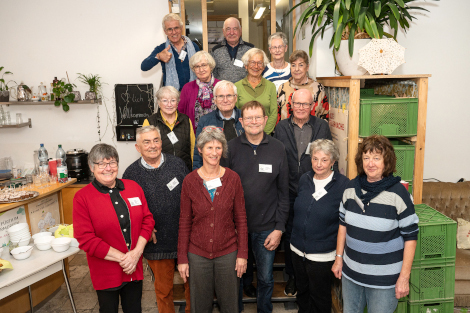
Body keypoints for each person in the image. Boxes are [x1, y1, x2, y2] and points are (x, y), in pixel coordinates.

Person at [332, 135, 419, 313]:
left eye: (376, 158)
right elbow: (343, 225)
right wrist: (338, 258)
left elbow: (411, 237)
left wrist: (404, 277)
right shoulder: (350, 189)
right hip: (351, 275)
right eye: (366, 158)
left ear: (386, 161)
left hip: (384, 281)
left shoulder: (399, 195)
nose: (371, 163)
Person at [73, 143, 155, 313]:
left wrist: (136, 254)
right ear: (91, 168)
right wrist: (125, 259)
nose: (107, 168)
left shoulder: (133, 187)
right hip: (105, 272)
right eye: (101, 164)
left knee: (134, 309)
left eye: (112, 163)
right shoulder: (82, 198)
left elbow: (147, 221)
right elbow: (85, 239)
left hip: (134, 269)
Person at [225, 101, 289, 313]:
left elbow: (283, 193)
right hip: (236, 228)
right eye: (248, 118)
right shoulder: (231, 148)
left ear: (265, 120)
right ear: (241, 122)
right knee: (236, 276)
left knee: (265, 278)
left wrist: (279, 229)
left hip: (267, 228)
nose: (253, 122)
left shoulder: (278, 148)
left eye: (257, 117)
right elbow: (224, 191)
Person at [177, 126, 248, 313]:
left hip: (228, 253)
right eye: (209, 147)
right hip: (197, 255)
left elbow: (241, 219)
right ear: (200, 149)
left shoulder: (233, 179)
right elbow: (184, 222)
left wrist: (242, 254)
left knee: (230, 305)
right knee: (199, 306)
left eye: (218, 148)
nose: (214, 152)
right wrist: (182, 258)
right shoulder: (190, 181)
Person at [122, 126, 190, 313]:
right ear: (137, 147)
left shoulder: (177, 164)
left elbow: (192, 196)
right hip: (156, 241)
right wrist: (143, 227)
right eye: (146, 142)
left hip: (186, 237)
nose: (152, 145)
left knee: (193, 287)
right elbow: (128, 209)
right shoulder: (131, 174)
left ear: (161, 142)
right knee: (163, 291)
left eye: (155, 140)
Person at [273, 89, 333, 297]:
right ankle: (292, 277)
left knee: (311, 232)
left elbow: (328, 155)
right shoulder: (281, 127)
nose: (301, 108)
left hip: (313, 190)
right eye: (297, 104)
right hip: (287, 190)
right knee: (290, 234)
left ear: (312, 106)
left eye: (305, 104)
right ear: (290, 104)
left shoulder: (322, 126)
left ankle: (309, 278)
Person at [290, 139, 349, 312]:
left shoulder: (343, 185)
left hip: (322, 256)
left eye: (324, 160)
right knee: (302, 294)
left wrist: (339, 256)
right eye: (315, 158)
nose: (319, 164)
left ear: (333, 161)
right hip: (297, 251)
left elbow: (344, 223)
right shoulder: (304, 179)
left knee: (320, 298)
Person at [192, 80, 244, 170]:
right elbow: (198, 153)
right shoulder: (205, 121)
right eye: (220, 96)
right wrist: (198, 176)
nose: (225, 100)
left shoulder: (246, 118)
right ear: (214, 100)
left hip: (243, 171)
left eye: (229, 96)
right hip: (214, 173)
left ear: (236, 98)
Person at [141, 13, 199, 91]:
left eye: (176, 28)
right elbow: (144, 66)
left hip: (192, 92)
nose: (174, 32)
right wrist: (158, 56)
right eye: (170, 29)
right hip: (171, 96)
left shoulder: (194, 46)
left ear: (181, 28)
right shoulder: (162, 48)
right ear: (165, 31)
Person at [143, 86, 195, 172]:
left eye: (173, 100)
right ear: (159, 103)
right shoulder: (149, 122)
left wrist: (193, 169)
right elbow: (145, 149)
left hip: (184, 171)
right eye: (165, 101)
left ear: (178, 102)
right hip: (159, 172)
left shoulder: (186, 120)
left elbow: (193, 148)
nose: (169, 104)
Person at [277, 50, 329, 122]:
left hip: (312, 132)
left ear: (307, 67)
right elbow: (277, 117)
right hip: (286, 132)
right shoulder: (283, 88)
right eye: (293, 65)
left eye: (301, 65)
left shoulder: (318, 89)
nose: (297, 69)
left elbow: (324, 117)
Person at [235, 48, 277, 135]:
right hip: (242, 136)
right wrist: (246, 135)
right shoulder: (236, 87)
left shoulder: (271, 86)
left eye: (260, 63)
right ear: (246, 65)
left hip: (266, 136)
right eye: (252, 62)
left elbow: (273, 114)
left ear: (264, 66)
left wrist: (263, 134)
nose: (256, 66)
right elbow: (235, 115)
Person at [178, 51, 220, 132]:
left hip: (219, 133)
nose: (201, 70)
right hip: (196, 134)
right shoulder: (187, 88)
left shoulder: (221, 85)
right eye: (197, 67)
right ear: (194, 70)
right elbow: (181, 113)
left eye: (204, 65)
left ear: (210, 66)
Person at [211, 17, 254, 83]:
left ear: (240, 30)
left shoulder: (251, 49)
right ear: (223, 31)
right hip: (223, 92)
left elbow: (256, 72)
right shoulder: (215, 51)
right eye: (228, 29)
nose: (231, 33)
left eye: (235, 29)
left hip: (245, 92)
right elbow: (212, 75)